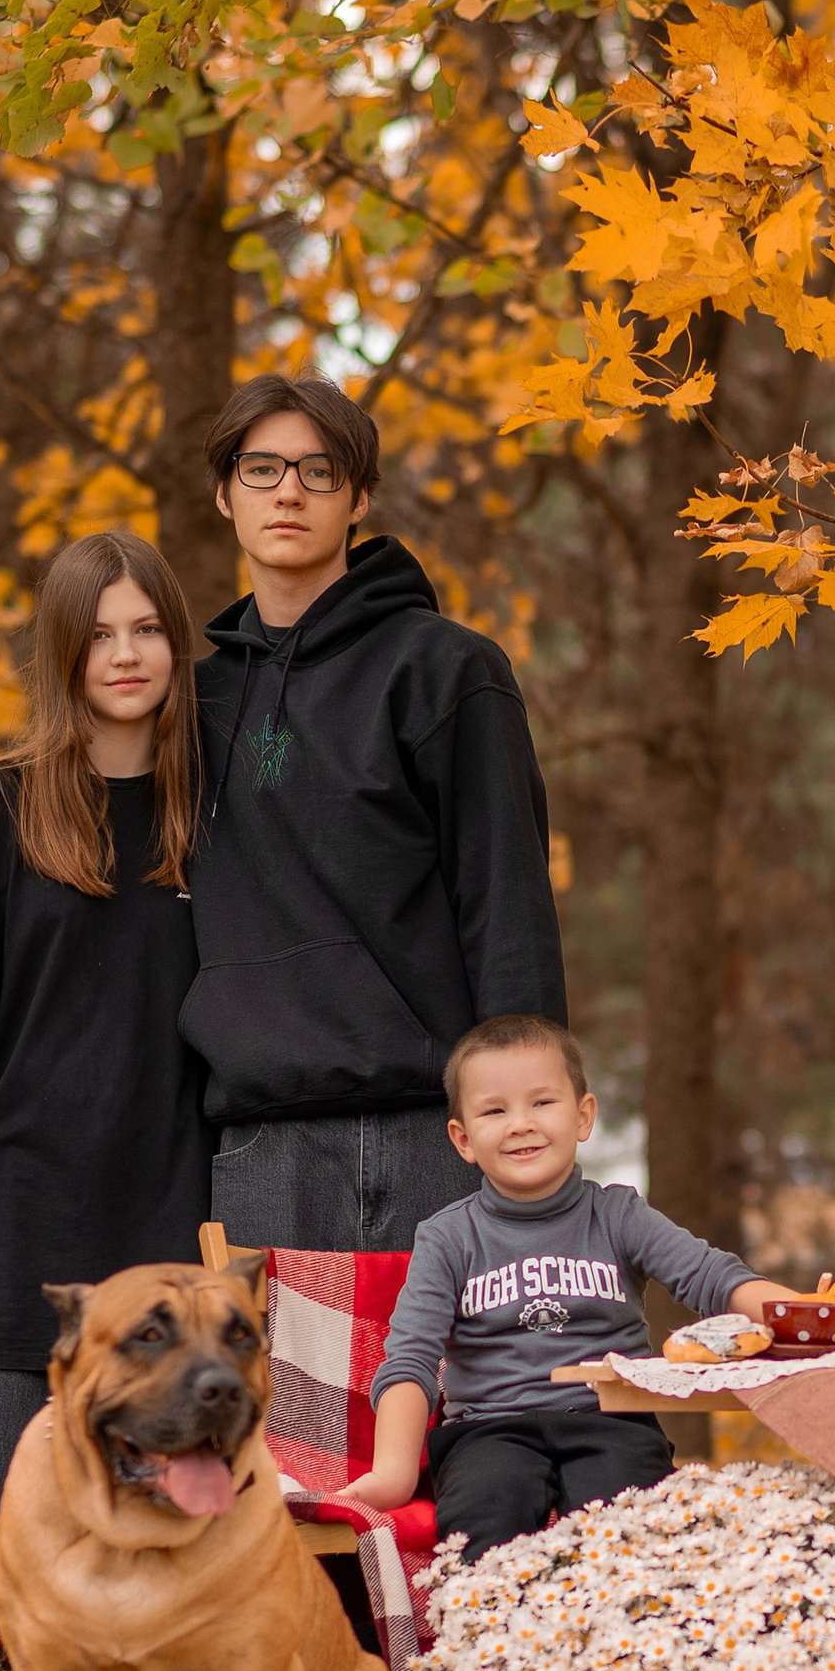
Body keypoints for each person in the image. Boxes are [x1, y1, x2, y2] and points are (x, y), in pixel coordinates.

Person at [0, 533, 213, 1521]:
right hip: (0, 1233)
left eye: (148, 628)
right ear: (63, 654)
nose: (125, 653)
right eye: (99, 633)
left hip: (164, 1236)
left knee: (151, 1544)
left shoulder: (217, 826)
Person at [185, 374, 566, 1254]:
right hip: (259, 1143)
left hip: (434, 1130)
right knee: (294, 1400)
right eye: (262, 468)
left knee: (450, 1396)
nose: (288, 490)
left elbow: (506, 905)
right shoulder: (188, 706)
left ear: (359, 498)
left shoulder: (445, 670)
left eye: (320, 471)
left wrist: (524, 1129)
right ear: (223, 493)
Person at [346, 1015, 792, 1558]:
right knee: (486, 1515)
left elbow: (712, 1277)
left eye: (542, 1102)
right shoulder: (447, 1238)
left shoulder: (618, 1215)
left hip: (612, 1421)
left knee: (631, 1522)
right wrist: (393, 1472)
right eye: (494, 1110)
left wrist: (800, 1315)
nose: (520, 1124)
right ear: (463, 1140)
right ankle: (496, 1634)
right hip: (488, 1431)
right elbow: (410, 1358)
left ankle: (624, 1636)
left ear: (583, 1117)